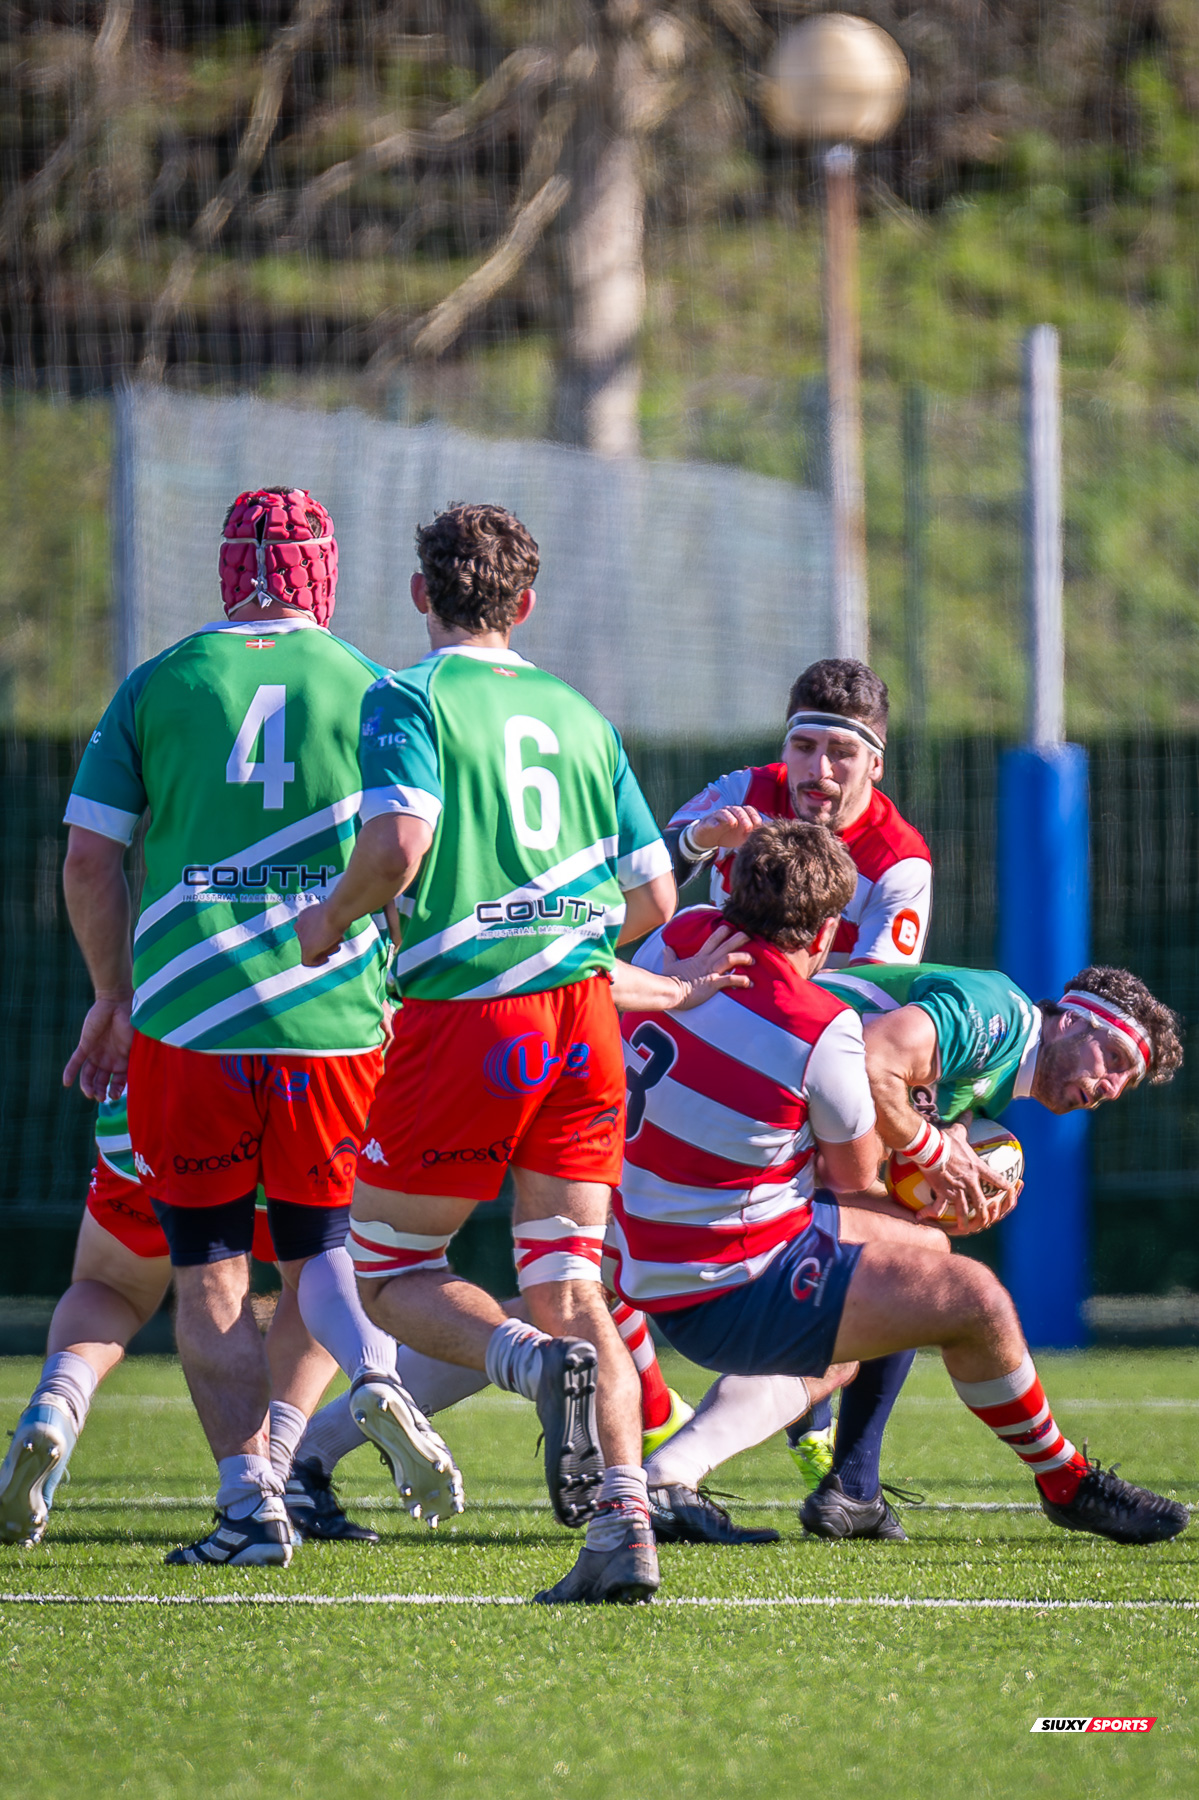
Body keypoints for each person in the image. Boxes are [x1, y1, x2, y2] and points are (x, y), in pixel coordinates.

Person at [296, 500, 703, 1605]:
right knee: (567, 1278)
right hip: (585, 1018)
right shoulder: (579, 714)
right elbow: (654, 899)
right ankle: (623, 1526)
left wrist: (330, 919)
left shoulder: (408, 695)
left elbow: (399, 845)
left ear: (419, 594)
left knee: (389, 1273)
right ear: (525, 604)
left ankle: (528, 1364)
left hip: (472, 1020)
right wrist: (557, 930)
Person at [57, 485, 452, 1568]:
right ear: (325, 570)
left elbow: (89, 861)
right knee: (319, 1252)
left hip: (189, 1021)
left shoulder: (161, 681)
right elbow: (409, 860)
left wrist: (111, 993)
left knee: (210, 1272)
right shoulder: (377, 687)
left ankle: (247, 1507)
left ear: (228, 569)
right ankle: (372, 1374)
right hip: (335, 1021)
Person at [611, 820, 1188, 1551]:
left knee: (910, 1263)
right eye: (1112, 1057)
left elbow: (892, 1103)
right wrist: (930, 1155)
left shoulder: (689, 933)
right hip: (713, 1225)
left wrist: (941, 1149)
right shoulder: (999, 1015)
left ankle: (845, 1484)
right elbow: (869, 1074)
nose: (1108, 1085)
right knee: (959, 1288)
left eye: (1124, 1084)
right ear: (1070, 1018)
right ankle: (1061, 1481)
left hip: (647, 1186)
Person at [633, 658, 936, 1513]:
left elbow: (873, 998)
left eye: (842, 753)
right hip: (715, 1058)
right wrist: (700, 840)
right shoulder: (743, 791)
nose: (818, 770)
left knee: (573, 1270)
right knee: (897, 1239)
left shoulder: (899, 862)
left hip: (792, 1060)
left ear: (874, 764)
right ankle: (808, 1445)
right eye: (804, 746)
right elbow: (637, 884)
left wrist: (762, 1009)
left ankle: (843, 1468)